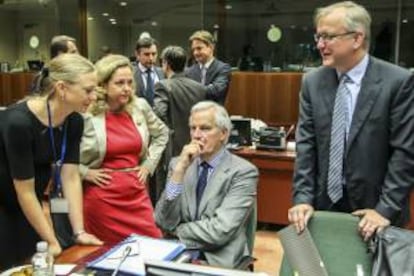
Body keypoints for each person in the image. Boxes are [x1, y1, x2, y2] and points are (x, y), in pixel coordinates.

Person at [288, 1, 414, 241]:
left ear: (357, 39)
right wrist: (303, 198)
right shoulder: (312, 82)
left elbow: (405, 153)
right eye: (318, 36)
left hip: (376, 211)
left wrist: (384, 209)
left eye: (328, 36)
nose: (320, 44)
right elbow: (306, 146)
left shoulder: (397, 82)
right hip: (323, 208)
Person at [0, 54, 102, 269]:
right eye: (88, 90)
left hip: (30, 204)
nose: (94, 96)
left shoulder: (74, 120)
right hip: (8, 203)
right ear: (62, 88)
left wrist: (79, 232)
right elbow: (24, 191)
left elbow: (71, 176)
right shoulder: (18, 123)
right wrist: (52, 241)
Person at [155, 101, 258, 268]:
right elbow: (163, 220)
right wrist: (180, 171)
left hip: (218, 260)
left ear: (223, 134)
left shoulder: (243, 172)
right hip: (179, 255)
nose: (196, 135)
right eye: (193, 128)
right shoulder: (178, 164)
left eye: (205, 128)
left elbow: (220, 231)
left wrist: (176, 232)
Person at [79, 54, 169, 244]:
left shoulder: (139, 107)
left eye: (130, 82)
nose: (127, 88)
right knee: (106, 255)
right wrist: (85, 172)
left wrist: (148, 165)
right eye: (120, 83)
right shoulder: (86, 112)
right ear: (102, 85)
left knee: (152, 244)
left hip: (136, 192)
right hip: (101, 197)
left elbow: (162, 133)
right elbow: (60, 155)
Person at [185, 30, 231, 105]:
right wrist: (208, 87)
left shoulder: (223, 68)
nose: (195, 53)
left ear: (211, 47)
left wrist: (192, 89)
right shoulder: (189, 71)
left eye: (199, 48)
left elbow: (216, 91)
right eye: (193, 49)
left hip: (214, 113)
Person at [132, 37, 164, 106]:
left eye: (154, 54)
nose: (151, 58)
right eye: (147, 54)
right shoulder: (131, 74)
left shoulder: (163, 73)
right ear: (137, 55)